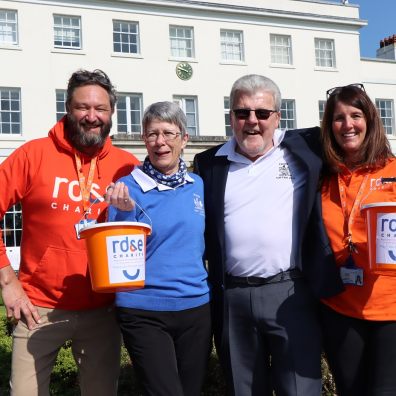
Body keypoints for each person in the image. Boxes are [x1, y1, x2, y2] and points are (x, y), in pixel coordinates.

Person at [193, 74, 343, 396]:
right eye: (242, 112)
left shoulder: (306, 147)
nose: (252, 121)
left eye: (262, 113)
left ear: (277, 117)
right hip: (233, 298)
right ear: (230, 116)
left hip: (292, 292)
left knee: (300, 390)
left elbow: (357, 137)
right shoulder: (208, 163)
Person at [0, 69, 140, 395]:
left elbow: (148, 232)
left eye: (100, 109)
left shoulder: (127, 166)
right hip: (39, 307)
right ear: (68, 109)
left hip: (102, 310)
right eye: (83, 107)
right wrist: (8, 282)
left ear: (111, 114)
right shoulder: (33, 155)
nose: (92, 117)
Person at [106, 101, 211, 396]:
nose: (160, 142)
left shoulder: (198, 185)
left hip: (195, 307)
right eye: (152, 134)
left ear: (184, 139)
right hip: (144, 309)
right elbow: (118, 255)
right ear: (143, 139)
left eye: (169, 133)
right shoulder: (126, 188)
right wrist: (124, 212)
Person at [320, 83, 396, 395]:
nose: (348, 125)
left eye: (356, 115)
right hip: (339, 307)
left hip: (390, 309)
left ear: (371, 120)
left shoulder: (393, 170)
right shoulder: (323, 175)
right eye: (338, 118)